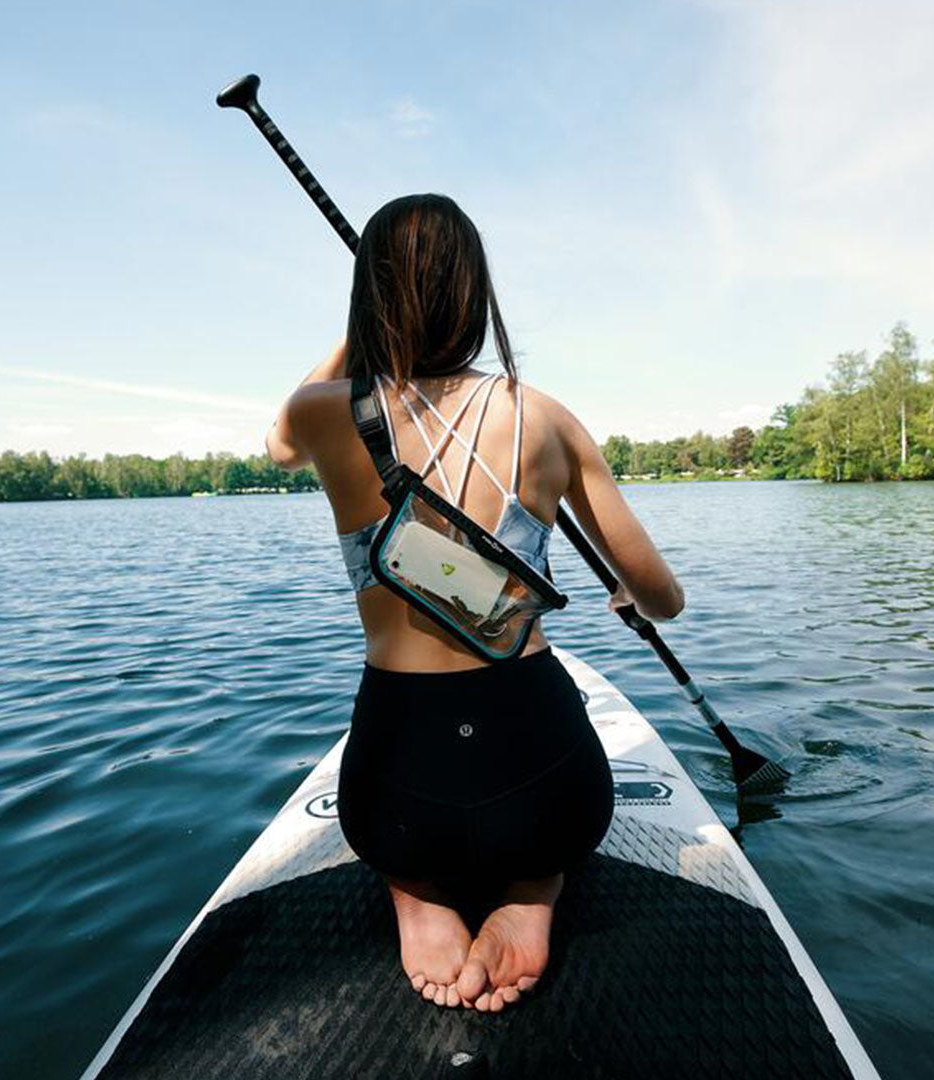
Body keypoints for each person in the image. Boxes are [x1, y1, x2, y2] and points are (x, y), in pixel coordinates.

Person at [266, 194, 684, 1013]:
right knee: (546, 839)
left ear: (371, 295)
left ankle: (416, 897)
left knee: (403, 847)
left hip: (394, 800)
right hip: (548, 794)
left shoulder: (323, 415)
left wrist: (367, 324)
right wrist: (623, 591)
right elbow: (662, 601)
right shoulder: (545, 417)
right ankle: (534, 892)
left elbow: (277, 445)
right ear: (474, 292)